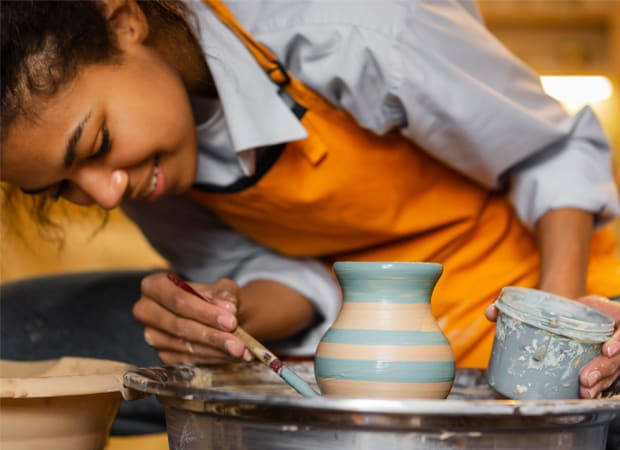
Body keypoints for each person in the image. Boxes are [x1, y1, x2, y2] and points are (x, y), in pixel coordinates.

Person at [2, 0, 620, 403]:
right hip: (384, 347)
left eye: (98, 142)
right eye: (62, 187)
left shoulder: (348, 23)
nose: (105, 192)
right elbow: (294, 280)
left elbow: (550, 152)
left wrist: (557, 344)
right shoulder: (140, 171)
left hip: (563, 293)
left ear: (125, 22)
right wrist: (225, 316)